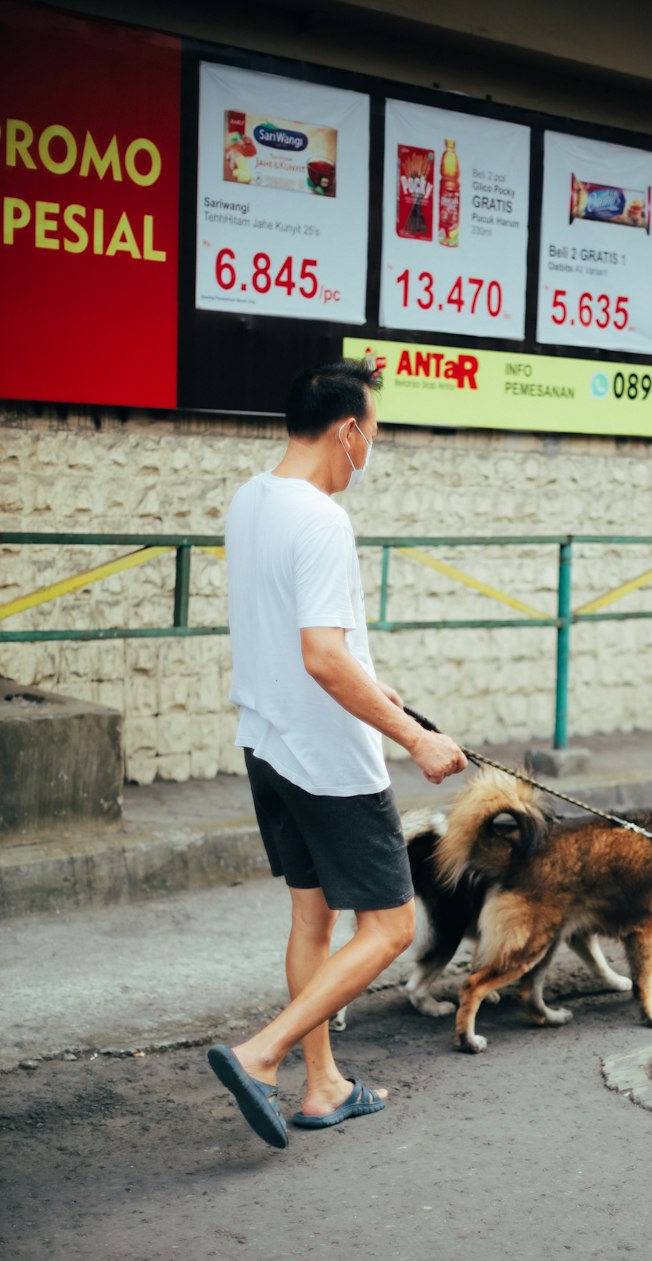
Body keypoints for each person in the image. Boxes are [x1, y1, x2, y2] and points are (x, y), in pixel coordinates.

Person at [208, 359, 467, 1149]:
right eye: (372, 437)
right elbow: (321, 654)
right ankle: (263, 1057)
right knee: (388, 928)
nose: (369, 454)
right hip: (326, 760)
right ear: (347, 430)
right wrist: (416, 736)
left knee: (311, 918)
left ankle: (324, 1086)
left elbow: (309, 644)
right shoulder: (322, 518)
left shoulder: (250, 500)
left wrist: (377, 690)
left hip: (266, 741)